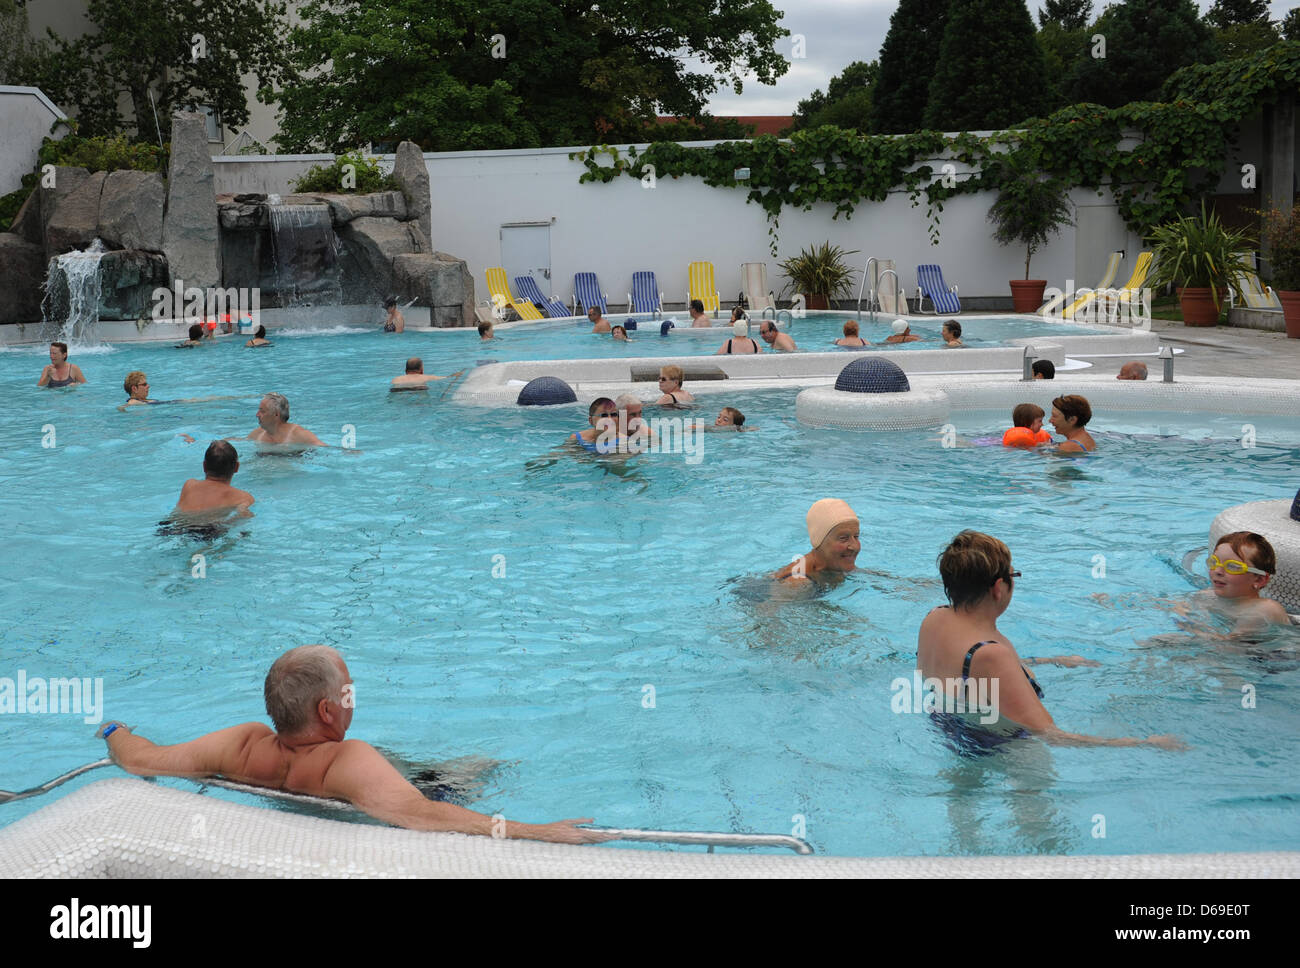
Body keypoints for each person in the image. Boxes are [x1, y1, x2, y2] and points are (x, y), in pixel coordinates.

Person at [97, 645, 608, 844]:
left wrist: (112, 730)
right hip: (379, 801)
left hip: (311, 798)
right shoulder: (348, 757)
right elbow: (420, 815)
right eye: (348, 691)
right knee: (479, 768)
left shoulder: (241, 744)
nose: (352, 698)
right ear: (326, 711)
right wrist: (534, 830)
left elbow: (141, 759)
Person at [917, 530, 1184, 751]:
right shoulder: (991, 655)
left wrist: (1050, 661)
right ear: (998, 588)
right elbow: (1050, 735)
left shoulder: (935, 619)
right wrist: (1144, 743)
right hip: (1006, 751)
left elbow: (969, 678)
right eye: (1013, 575)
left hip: (949, 732)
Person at [1196, 532, 1292, 628]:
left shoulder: (1264, 609)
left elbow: (1229, 642)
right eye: (1214, 562)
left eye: (1232, 566)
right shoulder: (1207, 596)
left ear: (1259, 580)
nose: (1217, 571)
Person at [772, 499, 860, 589]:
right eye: (843, 538)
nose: (854, 547)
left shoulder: (836, 563)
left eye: (856, 536)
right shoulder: (797, 584)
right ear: (819, 541)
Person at [171, 440, 255, 516]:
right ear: (237, 467)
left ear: (204, 466)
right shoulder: (243, 497)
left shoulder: (189, 485)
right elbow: (244, 516)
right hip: (209, 530)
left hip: (172, 526)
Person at [235, 392, 326, 447]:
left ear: (276, 414)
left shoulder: (299, 434)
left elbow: (325, 449)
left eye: (262, 411)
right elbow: (238, 441)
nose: (257, 415)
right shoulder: (258, 434)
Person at [391, 358, 463, 391]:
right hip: (419, 389)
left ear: (405, 371)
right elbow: (447, 378)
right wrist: (457, 374)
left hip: (398, 390)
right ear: (421, 371)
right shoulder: (427, 377)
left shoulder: (396, 379)